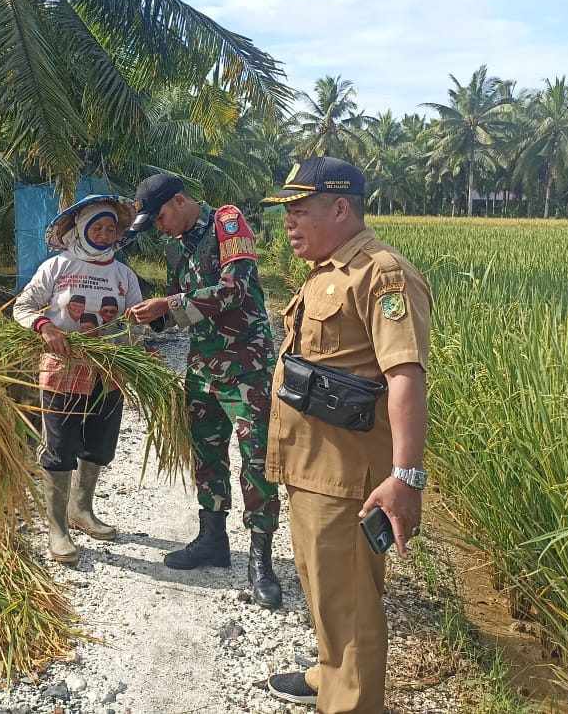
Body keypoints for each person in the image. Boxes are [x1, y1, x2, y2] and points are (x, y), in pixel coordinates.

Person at [260, 157, 431, 713]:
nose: (288, 222)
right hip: (311, 467)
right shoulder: (327, 267)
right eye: (286, 210)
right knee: (322, 585)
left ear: (340, 207)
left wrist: (405, 477)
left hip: (345, 478)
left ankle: (351, 701)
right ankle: (327, 674)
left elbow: (404, 373)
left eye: (299, 210)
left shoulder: (381, 273)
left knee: (351, 602)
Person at [126, 174, 284, 609]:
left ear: (179, 201)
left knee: (257, 458)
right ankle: (212, 540)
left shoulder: (228, 223)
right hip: (202, 368)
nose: (159, 227)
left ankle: (260, 561)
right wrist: (150, 318)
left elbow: (232, 289)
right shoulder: (177, 245)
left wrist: (168, 305)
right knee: (207, 453)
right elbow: (186, 302)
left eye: (159, 217)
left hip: (246, 367)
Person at [14, 195, 144, 563]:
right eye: (96, 227)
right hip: (63, 371)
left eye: (110, 229)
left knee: (100, 444)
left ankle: (81, 510)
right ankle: (58, 527)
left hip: (108, 373)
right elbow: (23, 306)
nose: (104, 234)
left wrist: (129, 342)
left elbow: (135, 323)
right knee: (59, 446)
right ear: (81, 229)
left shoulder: (123, 275)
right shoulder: (57, 266)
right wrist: (46, 327)